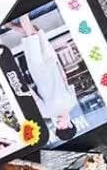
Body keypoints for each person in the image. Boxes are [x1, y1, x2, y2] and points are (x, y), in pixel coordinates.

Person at [9, 13, 78, 142]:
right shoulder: (72, 102)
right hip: (52, 62)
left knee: (32, 37)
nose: (58, 125)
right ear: (70, 124)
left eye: (58, 128)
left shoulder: (47, 113)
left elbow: (34, 96)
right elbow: (65, 80)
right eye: (62, 127)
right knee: (36, 33)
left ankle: (22, 12)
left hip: (37, 69)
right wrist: (57, 63)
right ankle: (11, 25)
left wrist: (21, 82)